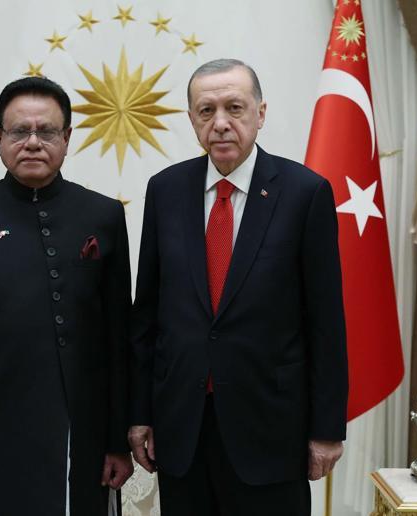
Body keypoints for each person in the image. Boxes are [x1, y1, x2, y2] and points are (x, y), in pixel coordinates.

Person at [128, 59, 348, 515]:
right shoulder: (165, 190)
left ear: (260, 113)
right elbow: (147, 313)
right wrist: (140, 414)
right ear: (192, 120)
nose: (221, 123)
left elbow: (326, 322)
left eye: (235, 107)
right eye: (206, 111)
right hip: (182, 428)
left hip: (270, 429)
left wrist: (327, 429)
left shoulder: (305, 193)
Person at [0, 76, 133, 515]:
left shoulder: (104, 215)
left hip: (78, 437)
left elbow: (119, 340)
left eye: (47, 131)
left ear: (67, 138)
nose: (33, 143)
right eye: (19, 131)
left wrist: (117, 441)